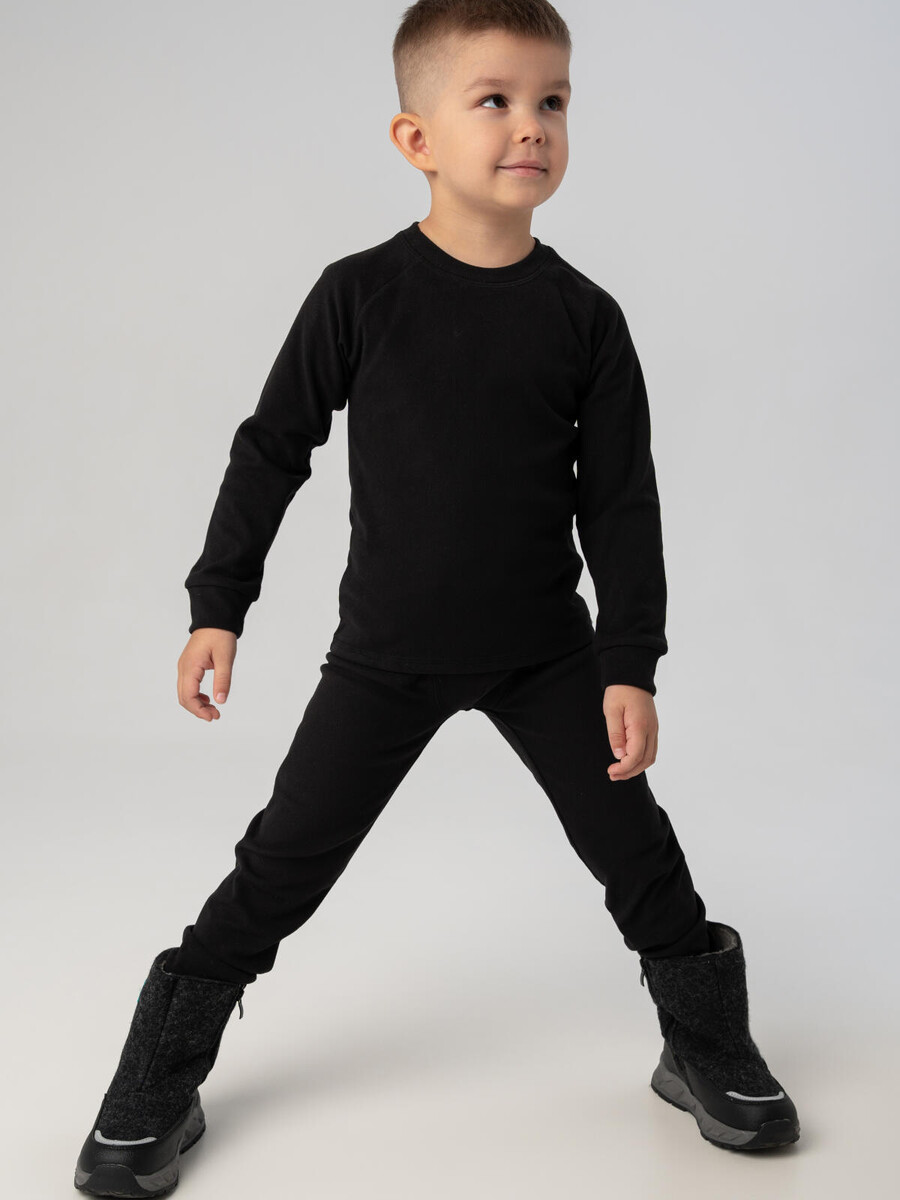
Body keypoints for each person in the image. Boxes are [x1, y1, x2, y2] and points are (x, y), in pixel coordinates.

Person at [74, 1, 801, 1194]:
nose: (532, 126)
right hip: (386, 656)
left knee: (638, 855)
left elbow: (622, 504)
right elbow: (272, 449)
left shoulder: (586, 318)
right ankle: (160, 1072)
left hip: (548, 655)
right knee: (281, 861)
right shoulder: (359, 295)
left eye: (553, 101)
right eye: (496, 100)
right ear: (416, 138)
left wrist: (630, 663)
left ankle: (705, 1044)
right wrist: (219, 605)